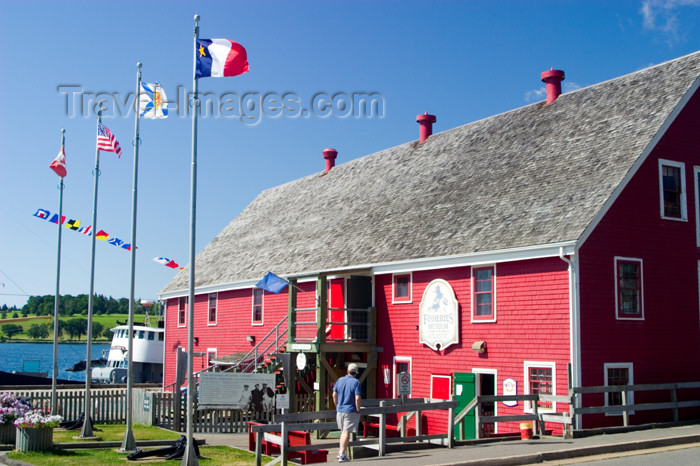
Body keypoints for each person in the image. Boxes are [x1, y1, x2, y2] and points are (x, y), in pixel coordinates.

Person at [332, 363, 362, 463]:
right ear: (356, 373)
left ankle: (341, 452)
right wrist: (358, 409)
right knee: (346, 432)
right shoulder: (356, 382)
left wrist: (337, 405)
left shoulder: (340, 380)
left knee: (343, 432)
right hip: (350, 410)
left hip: (340, 410)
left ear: (347, 371)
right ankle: (342, 455)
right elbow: (357, 398)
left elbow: (334, 394)